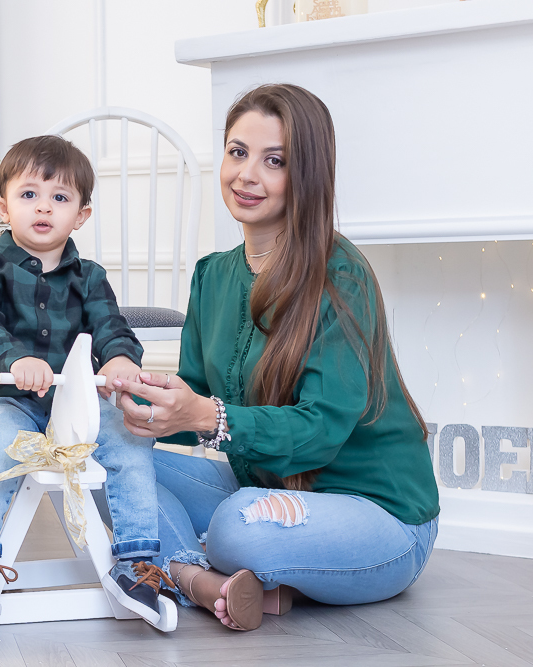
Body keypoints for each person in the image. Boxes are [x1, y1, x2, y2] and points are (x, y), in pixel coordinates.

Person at [112, 84, 440, 632]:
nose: (246, 175)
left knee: (237, 529)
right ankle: (208, 581)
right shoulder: (212, 275)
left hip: (378, 514)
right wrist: (143, 405)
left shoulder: (341, 276)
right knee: (107, 459)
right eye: (238, 152)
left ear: (306, 175)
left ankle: (203, 565)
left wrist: (204, 416)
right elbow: (194, 406)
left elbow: (319, 432)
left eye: (274, 161)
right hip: (266, 490)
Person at [0, 135, 171, 626]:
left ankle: (137, 560)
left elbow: (112, 324)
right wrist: (15, 359)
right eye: (28, 195)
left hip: (77, 406)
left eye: (60, 197)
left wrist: (118, 359)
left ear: (81, 215)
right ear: (2, 207)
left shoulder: (89, 276)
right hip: (9, 399)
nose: (43, 207)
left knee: (130, 437)